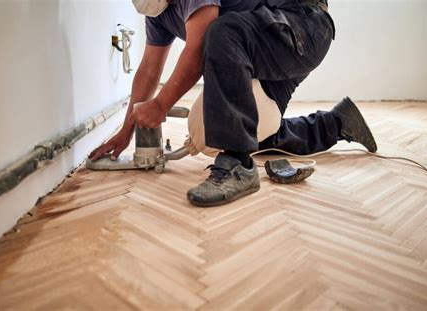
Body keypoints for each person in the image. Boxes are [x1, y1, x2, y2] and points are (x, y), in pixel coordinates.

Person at [89, 0, 377, 207]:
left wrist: (160, 105)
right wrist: (126, 131)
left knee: (222, 32)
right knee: (238, 125)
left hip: (302, 25)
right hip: (265, 40)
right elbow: (150, 70)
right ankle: (337, 123)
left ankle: (238, 166)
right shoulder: (158, 14)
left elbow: (198, 48)